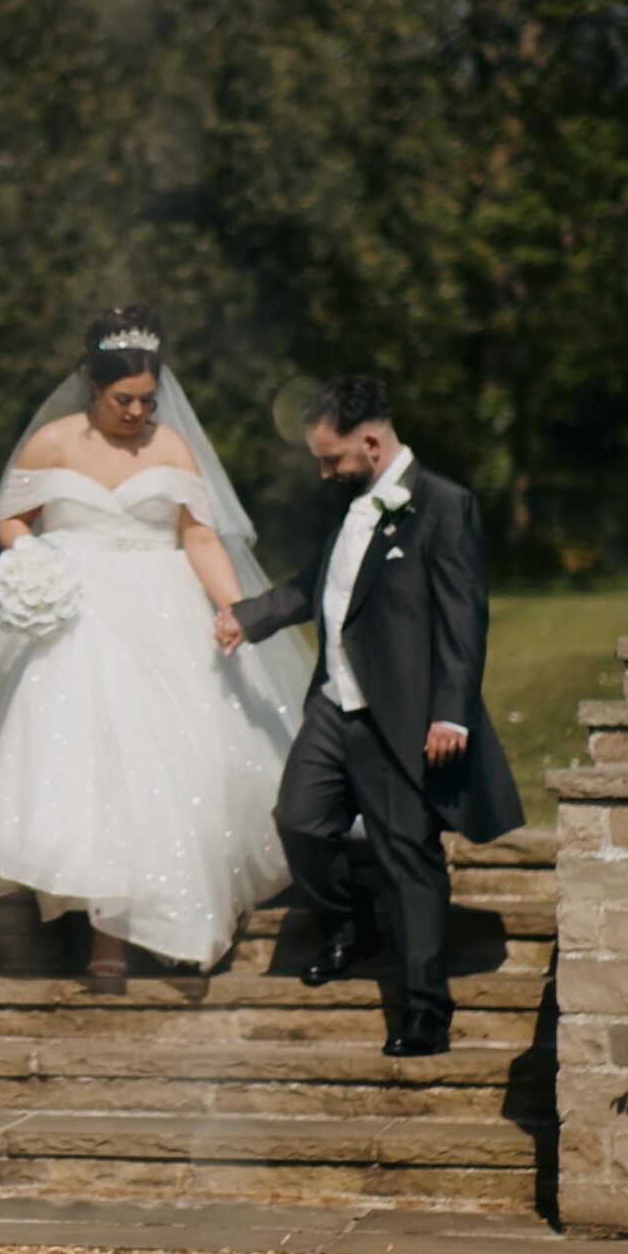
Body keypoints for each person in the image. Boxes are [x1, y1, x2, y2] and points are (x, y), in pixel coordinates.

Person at [0, 307, 313, 980]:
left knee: (162, 756)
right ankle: (90, 925)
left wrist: (235, 609)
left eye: (147, 401)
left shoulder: (172, 449)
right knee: (86, 758)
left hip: (160, 610)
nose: (135, 412)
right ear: (92, 387)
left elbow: (197, 536)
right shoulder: (50, 444)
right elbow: (12, 523)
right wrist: (38, 562)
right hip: (76, 615)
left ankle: (128, 933)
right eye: (121, 400)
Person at [216, 375, 526, 1057]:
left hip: (405, 715)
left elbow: (463, 620)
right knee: (298, 819)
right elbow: (316, 585)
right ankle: (350, 928)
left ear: (372, 441)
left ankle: (425, 1012)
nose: (325, 470)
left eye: (332, 458)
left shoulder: (447, 506)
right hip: (334, 703)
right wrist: (247, 616)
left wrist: (451, 714)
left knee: (408, 858)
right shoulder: (347, 500)